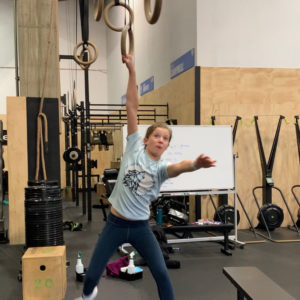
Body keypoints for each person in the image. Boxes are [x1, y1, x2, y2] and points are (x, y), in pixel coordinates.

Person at [75, 54, 216, 300]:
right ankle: (88, 296)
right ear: (146, 138)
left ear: (167, 145)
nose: (161, 140)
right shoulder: (133, 148)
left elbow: (180, 167)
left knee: (161, 273)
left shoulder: (161, 169)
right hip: (115, 225)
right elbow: (132, 106)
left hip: (140, 227)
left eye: (165, 138)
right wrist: (131, 70)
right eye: (157, 136)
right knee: (90, 278)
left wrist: (195, 164)